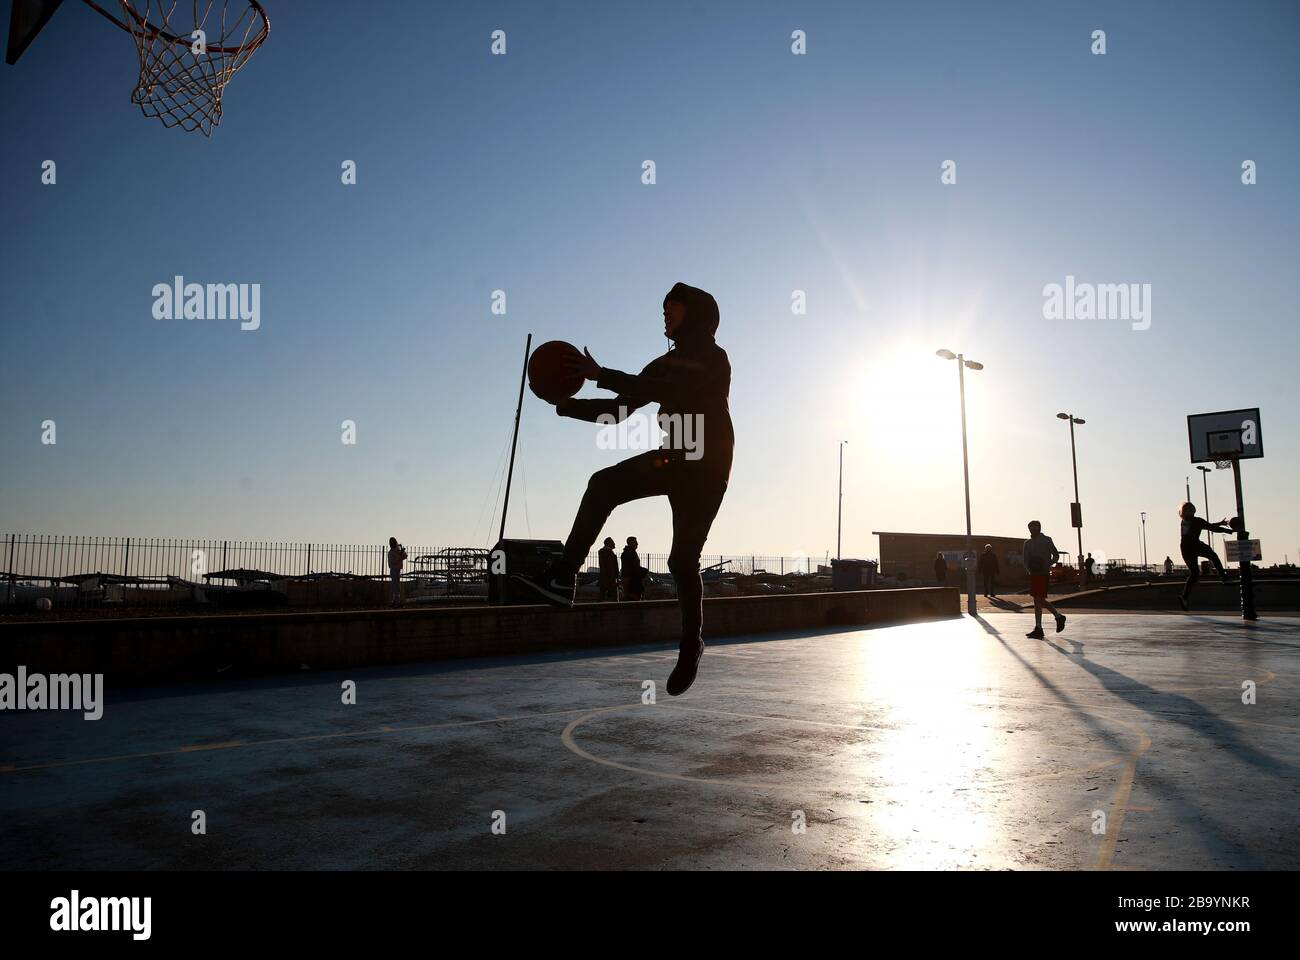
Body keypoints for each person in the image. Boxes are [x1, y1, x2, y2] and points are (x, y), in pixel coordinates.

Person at [512, 282, 733, 697]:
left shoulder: (713, 358)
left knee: (682, 561)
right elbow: (618, 410)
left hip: (708, 461)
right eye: (663, 308)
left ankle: (692, 643)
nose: (664, 314)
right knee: (603, 483)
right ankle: (564, 579)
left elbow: (671, 391)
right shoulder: (661, 364)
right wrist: (565, 404)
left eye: (673, 308)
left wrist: (603, 375)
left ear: (696, 313)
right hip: (675, 456)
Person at [1177, 502, 1233, 611]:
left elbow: (1206, 526)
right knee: (1213, 556)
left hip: (1185, 548)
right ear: (1192, 511)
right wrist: (1230, 531)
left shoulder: (1184, 521)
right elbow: (1210, 527)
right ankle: (1224, 577)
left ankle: (1184, 597)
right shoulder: (1196, 520)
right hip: (1194, 545)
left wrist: (1219, 523)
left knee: (1194, 573)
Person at [1022, 520, 1066, 638]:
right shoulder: (1027, 543)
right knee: (1037, 601)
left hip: (1043, 574)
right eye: (1031, 528)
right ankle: (1038, 627)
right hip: (1034, 574)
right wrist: (1030, 571)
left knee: (1039, 599)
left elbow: (1056, 555)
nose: (1033, 529)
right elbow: (1025, 560)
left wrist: (1048, 564)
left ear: (1039, 528)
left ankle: (1058, 616)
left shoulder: (1047, 540)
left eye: (1035, 527)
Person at [621, 536, 645, 601]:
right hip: (632, 578)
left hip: (629, 577)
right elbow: (633, 567)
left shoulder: (627, 552)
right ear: (631, 543)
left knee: (628, 597)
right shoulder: (631, 553)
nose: (637, 544)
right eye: (635, 542)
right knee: (632, 597)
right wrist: (641, 571)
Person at [387, 536, 407, 607]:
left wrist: (402, 551)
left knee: (396, 586)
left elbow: (405, 556)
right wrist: (400, 556)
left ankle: (396, 601)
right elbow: (393, 562)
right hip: (394, 569)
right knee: (395, 586)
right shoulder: (391, 552)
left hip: (397, 569)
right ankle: (394, 601)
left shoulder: (397, 551)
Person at [598, 537, 620, 601]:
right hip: (611, 578)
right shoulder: (610, 554)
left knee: (602, 596)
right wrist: (616, 577)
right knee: (614, 598)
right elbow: (612, 567)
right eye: (613, 542)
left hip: (603, 577)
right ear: (609, 543)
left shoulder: (602, 553)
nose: (614, 544)